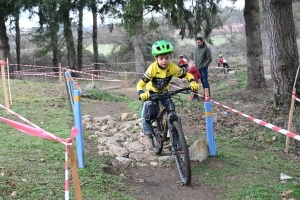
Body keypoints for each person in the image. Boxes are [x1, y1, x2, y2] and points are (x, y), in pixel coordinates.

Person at [136, 40, 199, 135]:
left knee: (172, 110)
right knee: (153, 112)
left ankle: (176, 136)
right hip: (152, 92)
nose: (164, 61)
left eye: (167, 58)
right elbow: (140, 84)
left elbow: (188, 75)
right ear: (155, 58)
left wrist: (193, 82)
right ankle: (146, 122)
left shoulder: (172, 67)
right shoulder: (152, 69)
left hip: (164, 92)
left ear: (170, 57)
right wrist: (141, 93)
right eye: (161, 58)